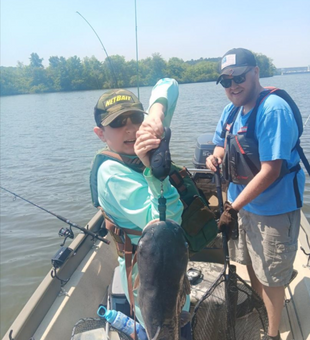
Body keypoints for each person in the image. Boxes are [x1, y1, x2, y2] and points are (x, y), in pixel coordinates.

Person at [206, 48, 305, 340]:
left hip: (273, 208)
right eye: (226, 81)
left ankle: (272, 334)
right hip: (241, 204)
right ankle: (259, 307)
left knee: (272, 277)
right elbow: (220, 144)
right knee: (250, 262)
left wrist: (232, 209)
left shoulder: (273, 109)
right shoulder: (231, 109)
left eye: (239, 77)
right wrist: (215, 156)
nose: (233, 85)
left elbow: (270, 170)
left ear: (256, 72)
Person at [91, 78, 192, 336]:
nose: (130, 129)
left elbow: (168, 84)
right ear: (100, 133)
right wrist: (152, 170)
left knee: (182, 319)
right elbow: (166, 224)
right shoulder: (111, 174)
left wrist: (156, 115)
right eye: (117, 123)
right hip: (147, 283)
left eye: (136, 118)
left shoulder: (144, 136)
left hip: (175, 275)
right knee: (163, 331)